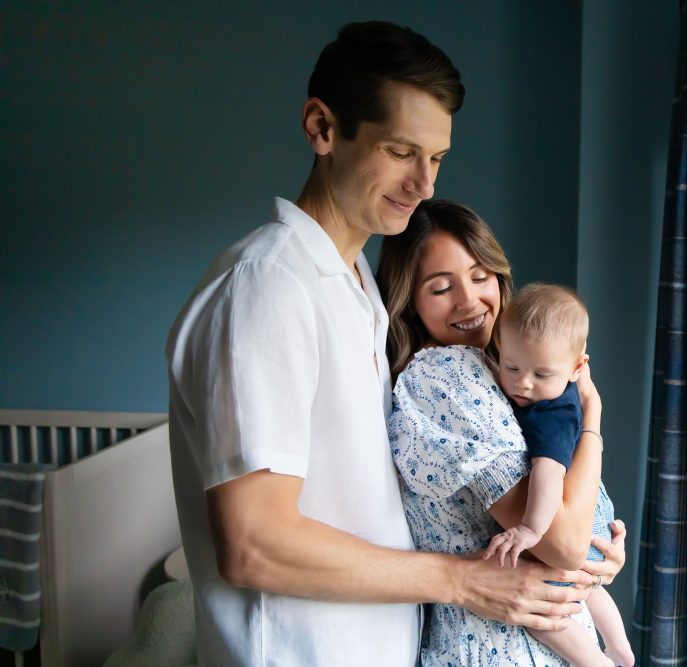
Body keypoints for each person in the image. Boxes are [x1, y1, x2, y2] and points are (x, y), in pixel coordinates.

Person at [165, 21, 621, 666]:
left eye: (436, 158)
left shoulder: (355, 292)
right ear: (323, 128)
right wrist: (467, 581)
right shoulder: (269, 286)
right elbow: (254, 543)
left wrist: (586, 543)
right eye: (401, 151)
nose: (424, 183)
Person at [377, 200, 627, 666]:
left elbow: (576, 518)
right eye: (440, 287)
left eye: (479, 276)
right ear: (408, 300)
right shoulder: (445, 374)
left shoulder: (504, 372)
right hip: (501, 648)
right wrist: (592, 415)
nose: (469, 301)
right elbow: (564, 544)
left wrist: (602, 553)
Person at [484, 283, 635, 667]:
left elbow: (548, 473)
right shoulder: (550, 392)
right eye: (511, 366)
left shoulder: (551, 414)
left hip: (564, 509)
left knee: (542, 607)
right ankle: (619, 648)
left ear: (577, 368)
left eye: (540, 373)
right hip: (591, 510)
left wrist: (530, 531)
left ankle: (595, 662)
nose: (523, 383)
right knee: (587, 587)